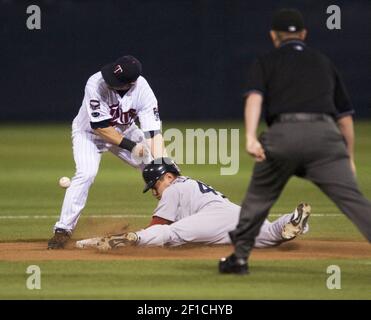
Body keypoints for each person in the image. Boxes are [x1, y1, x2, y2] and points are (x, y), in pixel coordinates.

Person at [219, 8, 371, 275]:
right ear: (303, 34)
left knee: (259, 199)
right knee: (354, 201)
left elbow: (254, 98)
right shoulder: (324, 62)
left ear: (273, 36)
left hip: (283, 135)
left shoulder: (266, 61)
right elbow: (345, 118)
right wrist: (348, 157)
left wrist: (251, 137)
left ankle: (239, 259)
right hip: (326, 139)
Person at [48, 55, 166, 249]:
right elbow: (101, 128)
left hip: (125, 130)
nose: (110, 81)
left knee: (162, 170)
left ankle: (175, 223)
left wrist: (163, 161)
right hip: (89, 133)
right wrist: (131, 146)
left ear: (131, 83)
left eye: (117, 81)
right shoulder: (95, 83)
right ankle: (63, 229)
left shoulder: (143, 91)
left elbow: (153, 133)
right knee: (86, 173)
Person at [75, 158, 311, 253]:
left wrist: (135, 237)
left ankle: (131, 238)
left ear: (166, 177)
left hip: (213, 217)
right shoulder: (189, 184)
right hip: (236, 213)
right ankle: (291, 219)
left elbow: (158, 225)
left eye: (154, 186)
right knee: (270, 235)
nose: (155, 193)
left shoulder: (173, 188)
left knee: (169, 234)